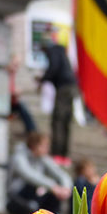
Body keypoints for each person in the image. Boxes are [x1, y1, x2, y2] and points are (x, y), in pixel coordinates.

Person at [7, 132, 73, 214]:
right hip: (15, 198)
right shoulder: (19, 157)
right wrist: (53, 186)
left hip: (34, 197)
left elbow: (61, 174)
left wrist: (65, 188)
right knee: (38, 186)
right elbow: (29, 175)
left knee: (52, 193)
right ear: (35, 145)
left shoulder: (42, 158)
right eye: (45, 146)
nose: (47, 149)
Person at [37, 30, 77, 158]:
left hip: (63, 89)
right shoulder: (60, 51)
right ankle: (64, 153)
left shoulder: (53, 51)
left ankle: (57, 153)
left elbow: (53, 68)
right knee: (65, 121)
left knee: (58, 120)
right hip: (71, 87)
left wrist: (42, 80)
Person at [7, 55, 36, 134]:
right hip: (4, 104)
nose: (16, 68)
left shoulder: (11, 74)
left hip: (11, 102)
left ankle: (32, 131)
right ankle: (32, 131)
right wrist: (14, 93)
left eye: (17, 66)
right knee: (22, 107)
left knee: (22, 106)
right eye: (15, 65)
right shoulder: (5, 74)